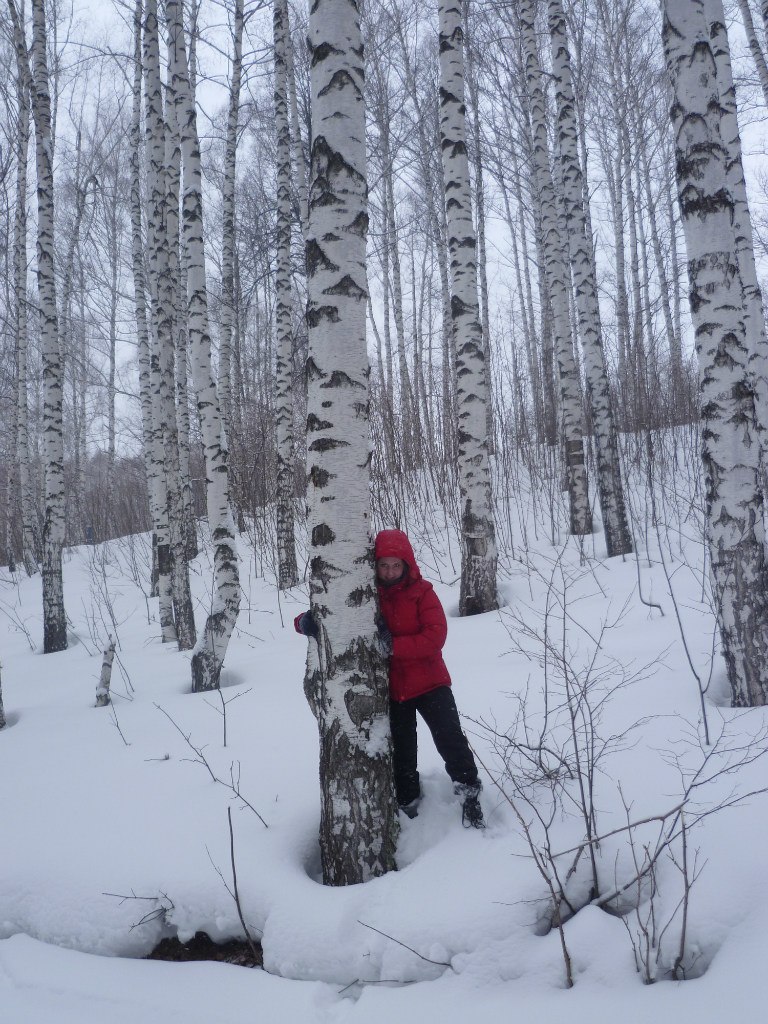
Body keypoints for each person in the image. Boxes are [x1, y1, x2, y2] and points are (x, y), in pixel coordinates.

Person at [294, 528, 484, 828]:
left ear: (407, 564)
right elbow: (336, 608)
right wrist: (306, 621)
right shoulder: (368, 593)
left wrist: (394, 646)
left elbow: (436, 637)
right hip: (394, 690)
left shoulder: (423, 592)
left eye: (396, 565)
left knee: (450, 739)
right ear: (375, 566)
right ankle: (407, 802)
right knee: (402, 751)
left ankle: (469, 794)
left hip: (431, 683)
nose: (390, 571)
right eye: (383, 565)